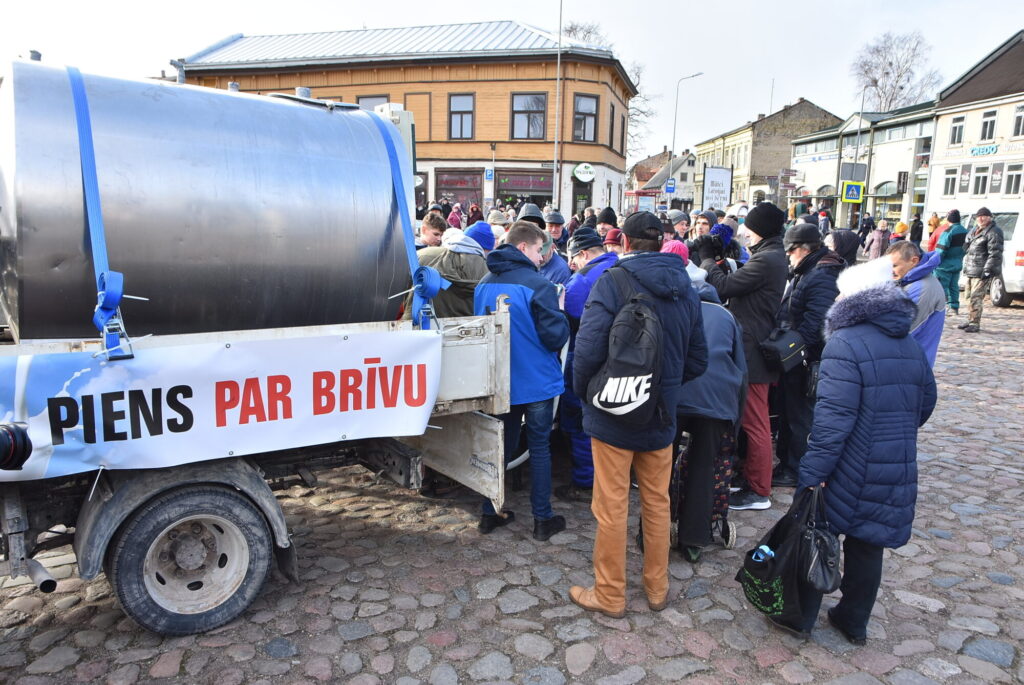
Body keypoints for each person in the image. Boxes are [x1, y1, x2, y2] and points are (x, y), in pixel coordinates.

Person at [788, 260, 936, 643]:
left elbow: (832, 422)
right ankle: (853, 621)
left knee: (816, 530)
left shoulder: (844, 343)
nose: (835, 297)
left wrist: (811, 473)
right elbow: (926, 401)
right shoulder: (908, 343)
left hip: (848, 463)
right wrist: (894, 431)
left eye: (841, 291)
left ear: (855, 299)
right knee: (869, 541)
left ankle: (801, 617)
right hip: (894, 461)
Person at [570, 211, 707, 618]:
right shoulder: (686, 288)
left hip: (614, 409)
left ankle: (610, 594)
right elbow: (698, 358)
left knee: (611, 505)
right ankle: (656, 587)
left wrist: (588, 395)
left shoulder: (611, 283)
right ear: (663, 242)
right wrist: (664, 385)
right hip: (661, 413)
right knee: (657, 501)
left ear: (624, 243)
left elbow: (587, 353)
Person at [473, 221, 570, 541]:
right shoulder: (539, 285)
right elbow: (555, 335)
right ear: (524, 247)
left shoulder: (483, 283)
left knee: (499, 446)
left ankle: (490, 512)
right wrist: (560, 312)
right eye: (540, 250)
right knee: (540, 447)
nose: (543, 257)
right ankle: (542, 519)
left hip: (499, 380)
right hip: (536, 380)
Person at [695, 203, 788, 511]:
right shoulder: (770, 255)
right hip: (752, 344)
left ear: (760, 228)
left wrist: (708, 260)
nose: (745, 232)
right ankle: (750, 479)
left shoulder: (768, 259)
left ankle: (759, 490)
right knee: (750, 418)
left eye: (750, 226)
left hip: (753, 351)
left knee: (754, 421)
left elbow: (723, 287)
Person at [672, 261, 746, 562]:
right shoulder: (728, 317)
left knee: (660, 465)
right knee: (705, 467)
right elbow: (741, 372)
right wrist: (735, 424)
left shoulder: (676, 311)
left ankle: (652, 530)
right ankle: (694, 539)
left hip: (675, 396)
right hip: (717, 401)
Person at [771, 223, 843, 487]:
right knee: (791, 414)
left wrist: (790, 350)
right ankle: (788, 463)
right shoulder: (810, 270)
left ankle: (795, 468)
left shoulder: (821, 275)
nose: (788, 256)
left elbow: (816, 324)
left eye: (790, 251)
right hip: (800, 357)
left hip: (806, 360)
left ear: (802, 249)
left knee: (800, 416)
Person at [556, 228, 619, 503]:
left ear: (584, 254)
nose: (572, 265)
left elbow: (567, 321)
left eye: (574, 258)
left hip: (587, 358)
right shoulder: (621, 267)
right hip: (623, 359)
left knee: (581, 420)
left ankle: (585, 482)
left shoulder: (581, 281)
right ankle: (613, 478)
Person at [404, 226, 488, 319]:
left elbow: (403, 291)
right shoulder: (487, 268)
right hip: (473, 327)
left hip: (424, 326)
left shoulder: (423, 255)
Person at [887, 242, 946, 366]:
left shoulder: (922, 289)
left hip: (910, 364)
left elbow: (902, 330)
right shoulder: (911, 281)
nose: (890, 271)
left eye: (895, 266)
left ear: (913, 261)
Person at [959, 207, 1004, 333]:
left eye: (984, 216)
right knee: (968, 296)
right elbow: (968, 246)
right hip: (971, 268)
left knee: (976, 297)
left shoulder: (994, 232)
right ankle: (970, 319)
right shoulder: (975, 230)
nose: (981, 218)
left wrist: (988, 269)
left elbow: (995, 253)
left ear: (989, 217)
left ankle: (974, 322)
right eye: (979, 216)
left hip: (982, 269)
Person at [934, 210, 968, 315]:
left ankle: (940, 308)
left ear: (948, 220)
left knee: (941, 287)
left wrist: (935, 262)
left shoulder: (948, 231)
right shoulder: (965, 231)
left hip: (944, 265)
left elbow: (941, 250)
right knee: (954, 286)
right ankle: (954, 307)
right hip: (957, 263)